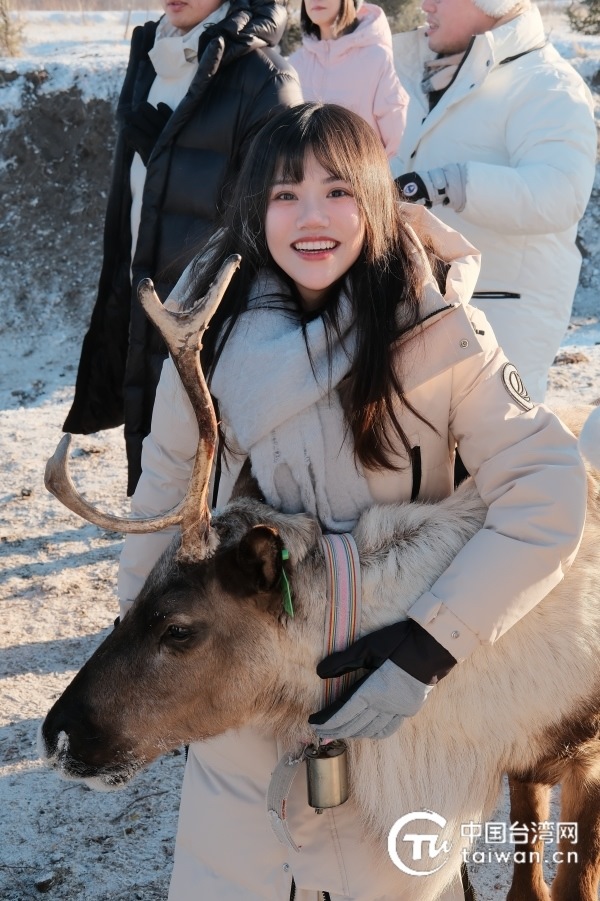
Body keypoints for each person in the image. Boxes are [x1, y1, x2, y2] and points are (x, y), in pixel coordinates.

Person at [117, 103, 587, 900]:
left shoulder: (441, 332)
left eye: (337, 191)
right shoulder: (208, 332)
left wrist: (430, 646)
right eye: (285, 194)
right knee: (233, 874)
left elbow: (546, 490)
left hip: (395, 712)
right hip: (247, 679)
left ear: (374, 198)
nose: (311, 217)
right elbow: (164, 486)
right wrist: (138, 625)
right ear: (254, 209)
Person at [63, 0, 302, 495]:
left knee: (206, 487)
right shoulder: (151, 56)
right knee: (151, 472)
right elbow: (135, 201)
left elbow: (277, 220)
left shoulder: (266, 79)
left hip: (213, 322)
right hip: (144, 295)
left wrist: (173, 162)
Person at [392, 0, 597, 403]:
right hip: (430, 305)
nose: (424, 5)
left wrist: (448, 183)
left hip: (499, 319)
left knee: (499, 441)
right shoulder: (436, 76)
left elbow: (561, 192)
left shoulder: (548, 84)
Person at [288, 0, 408, 168]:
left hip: (363, 180)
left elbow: (399, 145)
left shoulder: (378, 59)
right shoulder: (294, 64)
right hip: (304, 182)